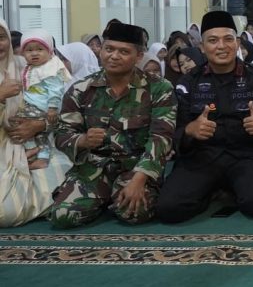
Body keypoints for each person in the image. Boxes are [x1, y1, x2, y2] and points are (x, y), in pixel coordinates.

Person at [156, 11, 253, 223]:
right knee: (169, 209)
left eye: (228, 39)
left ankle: (233, 187)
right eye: (213, 40)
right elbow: (174, 130)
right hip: (201, 158)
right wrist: (191, 130)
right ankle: (213, 190)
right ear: (202, 47)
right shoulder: (188, 82)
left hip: (247, 156)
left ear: (237, 43)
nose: (221, 46)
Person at [50, 22, 176, 228]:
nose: (114, 56)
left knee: (132, 213)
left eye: (124, 51)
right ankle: (102, 197)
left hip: (135, 167)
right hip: (93, 167)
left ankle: (116, 197)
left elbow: (161, 138)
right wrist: (82, 140)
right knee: (63, 216)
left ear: (139, 56)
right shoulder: (81, 89)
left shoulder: (159, 88)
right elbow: (62, 134)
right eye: (109, 49)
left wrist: (139, 179)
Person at [0, 19, 71, 227]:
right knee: (6, 212)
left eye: (1, 37)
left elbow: (63, 105)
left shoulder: (27, 65)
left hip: (36, 140)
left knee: (64, 181)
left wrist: (40, 125)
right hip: (4, 146)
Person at [16, 30, 72, 168]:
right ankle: (42, 156)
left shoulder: (50, 69)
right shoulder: (31, 67)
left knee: (16, 121)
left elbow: (56, 90)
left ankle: (35, 153)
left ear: (49, 51)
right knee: (40, 134)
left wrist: (52, 108)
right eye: (29, 50)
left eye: (40, 49)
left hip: (43, 108)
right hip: (34, 106)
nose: (34, 53)